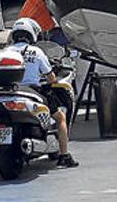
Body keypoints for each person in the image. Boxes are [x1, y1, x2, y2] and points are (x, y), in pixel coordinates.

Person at [8, 17, 79, 168]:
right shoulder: (36, 52)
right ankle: (64, 156)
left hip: (11, 92)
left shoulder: (7, 51)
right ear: (32, 34)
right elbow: (52, 78)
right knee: (60, 118)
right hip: (33, 91)